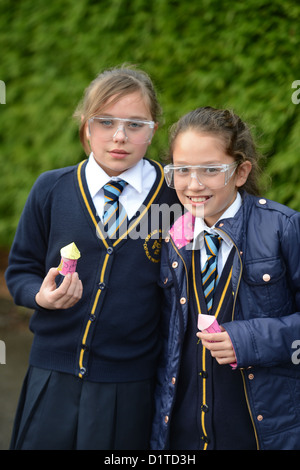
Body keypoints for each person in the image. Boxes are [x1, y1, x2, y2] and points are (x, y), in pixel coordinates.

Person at [5, 65, 179, 450]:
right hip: (52, 373)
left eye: (136, 124)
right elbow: (20, 271)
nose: (119, 136)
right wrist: (39, 296)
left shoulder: (175, 197)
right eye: (106, 121)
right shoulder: (51, 188)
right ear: (86, 127)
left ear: (153, 130)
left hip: (128, 384)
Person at [150, 106, 300, 450]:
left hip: (258, 433)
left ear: (241, 171)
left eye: (211, 170)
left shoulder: (283, 228)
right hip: (183, 434)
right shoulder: (172, 238)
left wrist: (250, 339)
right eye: (182, 170)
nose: (194, 184)